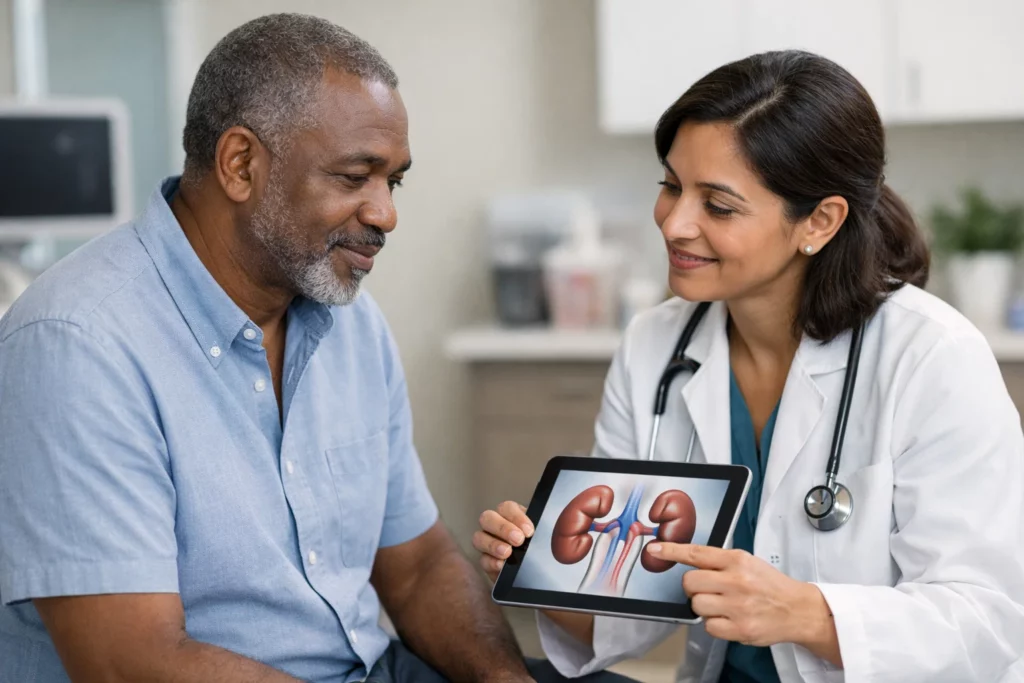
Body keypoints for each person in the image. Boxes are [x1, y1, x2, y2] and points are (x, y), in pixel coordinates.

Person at [0, 14, 633, 683]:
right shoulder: (77, 345)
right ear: (241, 165)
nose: (386, 212)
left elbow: (417, 566)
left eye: (394, 181)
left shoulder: (352, 324)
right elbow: (130, 662)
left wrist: (504, 681)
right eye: (356, 176)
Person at [474, 50, 1024, 682]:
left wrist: (807, 614)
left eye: (719, 205)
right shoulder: (656, 347)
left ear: (819, 220)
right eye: (671, 186)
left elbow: (986, 618)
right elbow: (634, 606)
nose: (675, 224)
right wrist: (544, 572)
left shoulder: (932, 356)